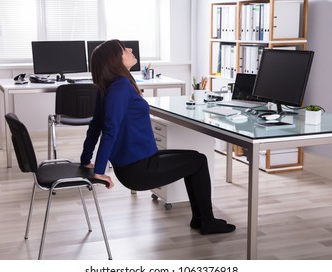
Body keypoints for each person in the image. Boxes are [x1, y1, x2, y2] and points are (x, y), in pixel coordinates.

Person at [80, 39, 236, 235]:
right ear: (115, 60)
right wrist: (99, 171)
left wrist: (86, 160)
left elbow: (95, 126)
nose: (129, 50)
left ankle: (201, 219)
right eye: (123, 50)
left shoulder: (110, 86)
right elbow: (109, 130)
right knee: (198, 161)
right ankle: (207, 222)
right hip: (137, 169)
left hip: (139, 162)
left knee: (195, 159)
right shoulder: (120, 87)